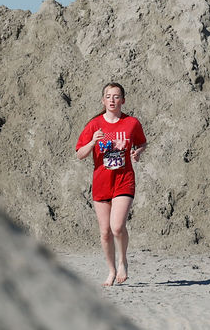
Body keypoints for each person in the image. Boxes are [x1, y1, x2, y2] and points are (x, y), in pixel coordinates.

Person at [75, 82, 147, 286]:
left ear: (123, 100)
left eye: (116, 96)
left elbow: (142, 142)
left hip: (124, 180)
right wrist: (92, 142)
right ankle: (111, 270)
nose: (112, 100)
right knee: (105, 232)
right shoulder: (94, 125)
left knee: (117, 227)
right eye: (108, 96)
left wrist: (138, 152)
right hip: (101, 183)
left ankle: (123, 261)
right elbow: (79, 154)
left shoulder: (131, 123)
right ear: (103, 100)